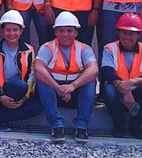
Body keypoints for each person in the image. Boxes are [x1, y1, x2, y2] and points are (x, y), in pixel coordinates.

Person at [35, 11, 98, 144]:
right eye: (61, 30)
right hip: (54, 93)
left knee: (91, 80)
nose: (65, 34)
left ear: (76, 33)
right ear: (55, 32)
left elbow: (93, 70)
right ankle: (57, 125)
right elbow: (38, 68)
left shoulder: (84, 48)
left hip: (75, 93)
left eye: (69, 31)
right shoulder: (47, 48)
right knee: (42, 80)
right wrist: (57, 87)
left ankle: (81, 126)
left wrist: (72, 86)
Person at [0, 10, 41, 132]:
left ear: (21, 31)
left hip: (20, 93)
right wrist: (1, 97)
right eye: (8, 30)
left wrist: (25, 97)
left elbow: (31, 76)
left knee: (37, 107)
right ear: (2, 31)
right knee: (19, 85)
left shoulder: (29, 50)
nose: (11, 33)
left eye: (15, 30)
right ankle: (2, 118)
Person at [101, 13, 142, 139]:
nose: (127, 37)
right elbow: (106, 71)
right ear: (118, 32)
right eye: (124, 32)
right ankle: (119, 124)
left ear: (139, 35)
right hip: (117, 88)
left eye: (131, 33)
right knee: (108, 90)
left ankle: (136, 125)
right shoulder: (109, 48)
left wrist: (131, 83)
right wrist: (124, 89)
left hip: (137, 88)